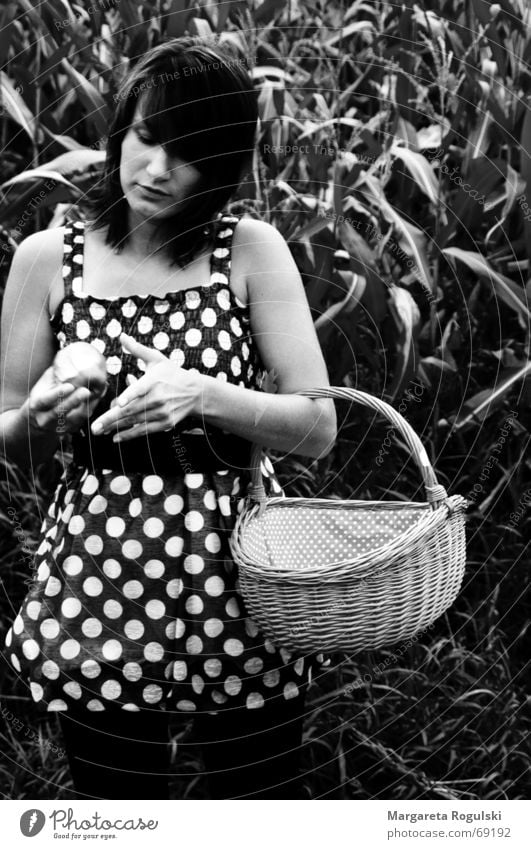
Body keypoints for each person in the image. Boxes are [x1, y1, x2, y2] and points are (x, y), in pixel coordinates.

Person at [0, 37, 337, 800]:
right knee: (121, 804)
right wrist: (43, 418)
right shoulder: (47, 259)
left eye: (186, 153)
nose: (155, 171)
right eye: (146, 139)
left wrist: (203, 394)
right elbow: (9, 434)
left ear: (221, 163)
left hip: (240, 574)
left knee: (258, 801)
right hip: (101, 575)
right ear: (120, 129)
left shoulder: (248, 250)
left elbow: (317, 427)